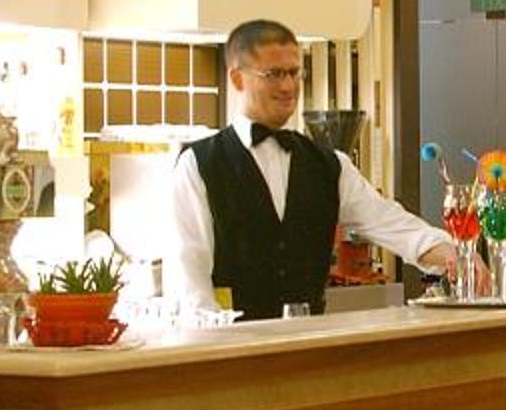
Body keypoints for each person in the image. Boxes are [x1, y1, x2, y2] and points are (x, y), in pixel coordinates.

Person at [166, 18, 456, 317]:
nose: (288, 86)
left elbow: (392, 224)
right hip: (231, 341)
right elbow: (190, 277)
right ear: (238, 79)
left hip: (312, 339)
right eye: (274, 74)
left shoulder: (330, 164)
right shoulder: (198, 164)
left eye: (294, 73)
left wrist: (454, 257)